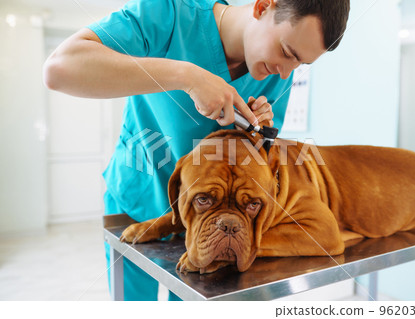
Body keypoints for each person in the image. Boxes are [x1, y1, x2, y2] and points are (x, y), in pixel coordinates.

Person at [43, 0, 350, 301]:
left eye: (300, 64)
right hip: (138, 199)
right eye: (287, 52)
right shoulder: (168, 13)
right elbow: (59, 69)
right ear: (262, 7)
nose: (285, 73)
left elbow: (259, 159)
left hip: (213, 224)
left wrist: (255, 136)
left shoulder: (275, 73)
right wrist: (187, 76)